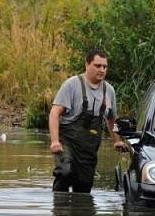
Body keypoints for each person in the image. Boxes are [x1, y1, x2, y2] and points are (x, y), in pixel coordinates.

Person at [49, 49, 127, 193]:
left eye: (104, 67)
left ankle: (80, 214)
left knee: (84, 186)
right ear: (87, 64)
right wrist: (55, 141)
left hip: (89, 146)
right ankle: (60, 210)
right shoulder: (72, 84)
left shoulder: (109, 91)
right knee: (65, 172)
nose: (102, 70)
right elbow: (54, 113)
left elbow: (111, 118)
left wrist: (116, 140)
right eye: (97, 66)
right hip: (67, 141)